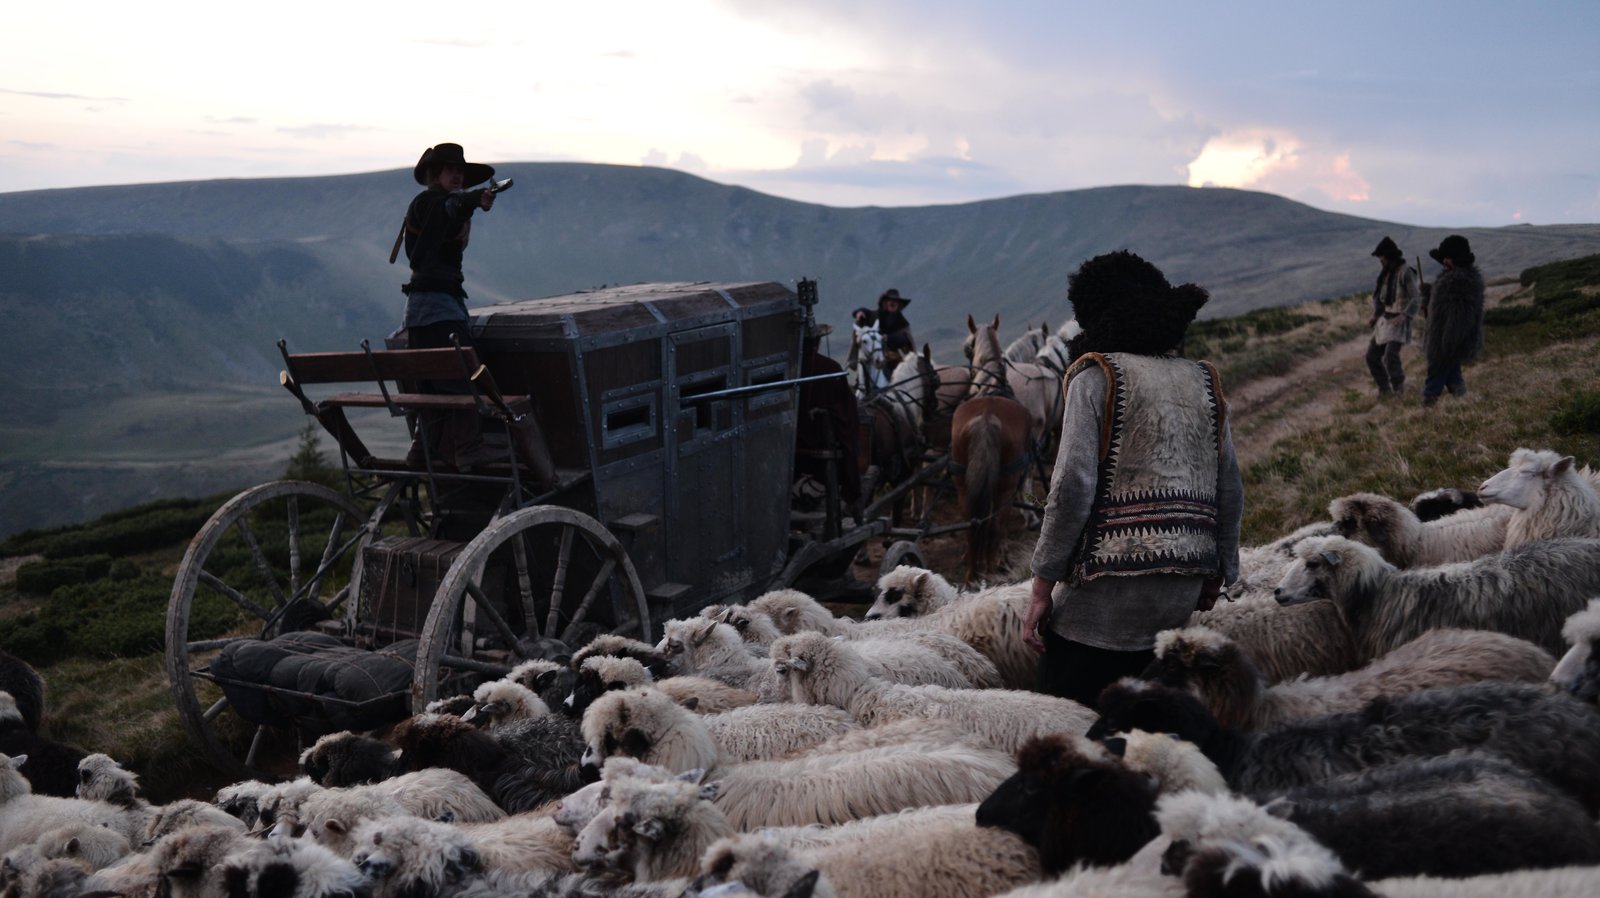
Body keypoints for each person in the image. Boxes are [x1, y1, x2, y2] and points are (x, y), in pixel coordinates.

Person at [1022, 251, 1243, 708]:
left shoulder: (1094, 376)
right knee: (1153, 723)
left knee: (1073, 718)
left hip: (1103, 598)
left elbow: (1071, 489)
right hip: (1182, 587)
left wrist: (1043, 584)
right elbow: (1230, 488)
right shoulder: (1204, 380)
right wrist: (1221, 569)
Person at [399, 142, 500, 469]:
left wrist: (471, 202)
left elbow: (453, 207)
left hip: (422, 311)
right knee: (466, 378)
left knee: (431, 387)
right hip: (439, 310)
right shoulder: (430, 203)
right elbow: (450, 208)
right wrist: (473, 200)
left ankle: (421, 453)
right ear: (435, 174)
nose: (457, 175)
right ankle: (470, 450)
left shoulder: (436, 204)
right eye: (450, 170)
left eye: (460, 171)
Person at [794, 322, 863, 518]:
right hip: (822, 444)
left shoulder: (788, 367)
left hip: (794, 447)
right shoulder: (831, 368)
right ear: (817, 342)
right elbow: (848, 411)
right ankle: (851, 496)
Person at [1420, 234, 1485, 407]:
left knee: (1436, 374)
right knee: (1452, 374)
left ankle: (1427, 408)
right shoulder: (1450, 278)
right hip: (1444, 340)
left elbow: (1459, 317)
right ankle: (1464, 402)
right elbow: (1442, 305)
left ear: (1456, 259)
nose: (1445, 261)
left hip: (1447, 341)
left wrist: (1448, 343)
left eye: (1448, 258)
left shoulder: (1461, 283)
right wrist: (1429, 295)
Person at [1364, 236, 1422, 397]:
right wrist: (1376, 315)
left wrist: (1405, 315)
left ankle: (1399, 389)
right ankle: (1384, 390)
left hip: (1399, 321)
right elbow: (1382, 298)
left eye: (1381, 256)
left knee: (1390, 356)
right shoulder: (1386, 274)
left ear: (1388, 255)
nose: (1380, 260)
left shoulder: (1406, 272)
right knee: (1372, 356)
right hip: (1385, 320)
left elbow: (1416, 298)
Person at [876, 289, 915, 363]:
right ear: (885, 303)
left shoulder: (902, 322)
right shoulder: (877, 316)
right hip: (877, 354)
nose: (893, 303)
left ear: (898, 304)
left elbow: (906, 339)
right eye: (890, 300)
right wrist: (860, 312)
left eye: (895, 301)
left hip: (897, 356)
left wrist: (889, 338)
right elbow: (866, 313)